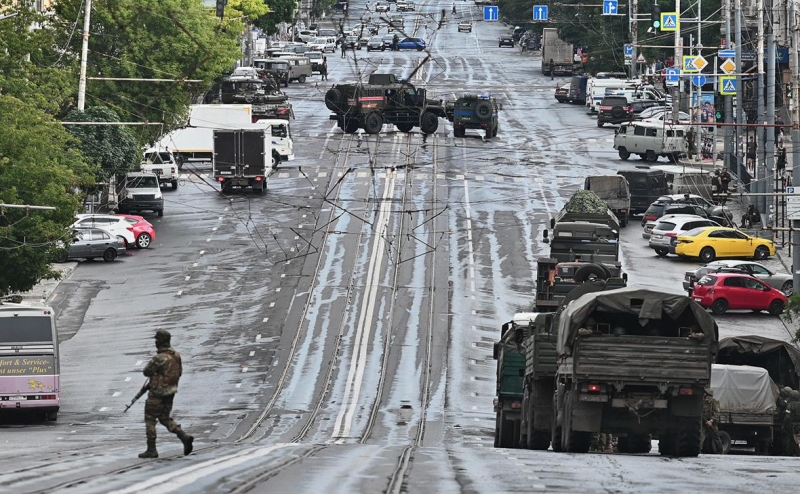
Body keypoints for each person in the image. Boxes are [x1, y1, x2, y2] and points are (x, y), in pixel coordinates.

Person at [138, 330, 193, 459]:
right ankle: (183, 436)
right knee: (164, 418)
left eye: (157, 339)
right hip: (171, 392)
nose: (155, 342)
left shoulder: (160, 358)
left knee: (150, 419)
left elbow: (146, 371)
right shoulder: (176, 356)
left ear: (161, 341)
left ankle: (151, 449)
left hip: (157, 394)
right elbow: (179, 372)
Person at [701, 388, 723, 454]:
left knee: (716, 437)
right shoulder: (703, 402)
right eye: (706, 395)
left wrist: (711, 421)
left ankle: (720, 451)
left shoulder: (714, 402)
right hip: (704, 422)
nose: (706, 397)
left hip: (712, 423)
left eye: (708, 395)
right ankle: (699, 449)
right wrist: (705, 421)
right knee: (701, 436)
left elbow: (717, 413)